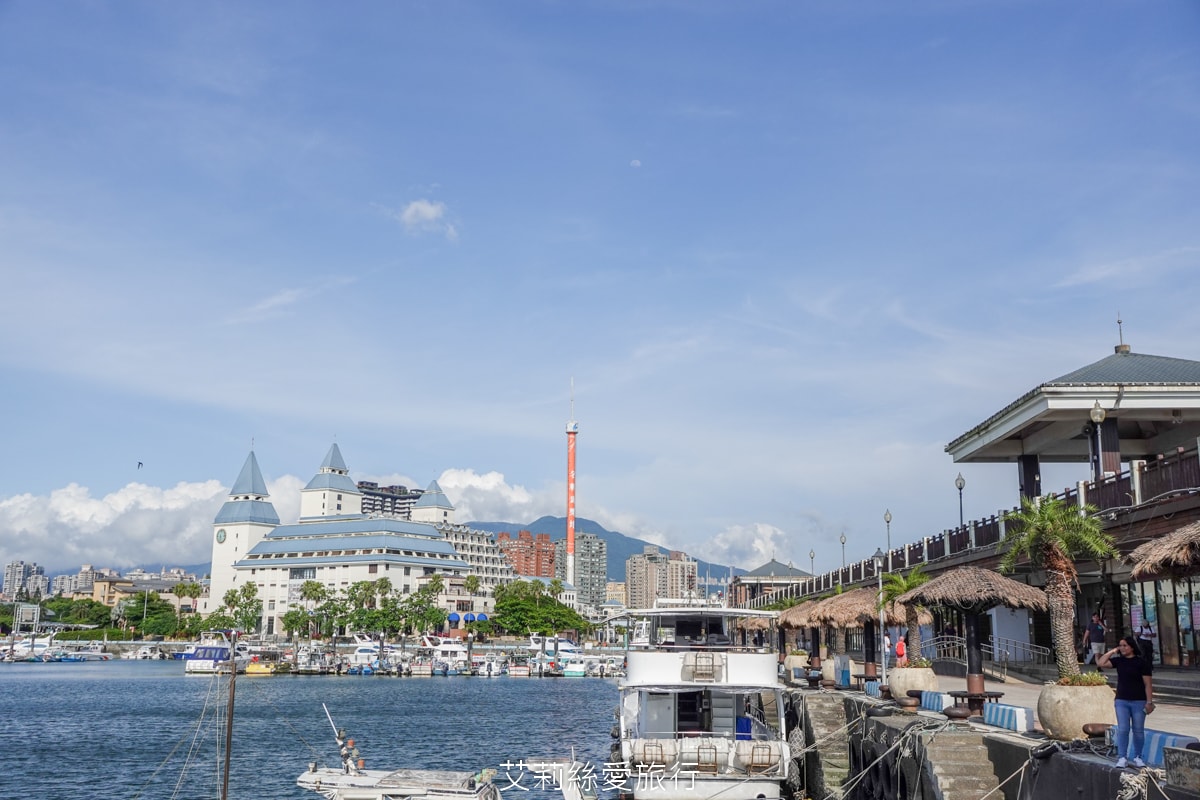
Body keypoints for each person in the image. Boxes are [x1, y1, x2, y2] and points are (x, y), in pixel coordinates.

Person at [1097, 636, 1155, 769]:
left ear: (1132, 647)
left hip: (1139, 701)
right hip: (1121, 700)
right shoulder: (1119, 661)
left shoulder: (1141, 663)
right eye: (1120, 645)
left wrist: (1149, 702)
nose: (1122, 648)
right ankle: (1122, 757)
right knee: (1123, 729)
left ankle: (1138, 756)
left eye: (1124, 645)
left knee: (1138, 730)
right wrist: (1113, 651)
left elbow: (1148, 684)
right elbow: (1101, 663)